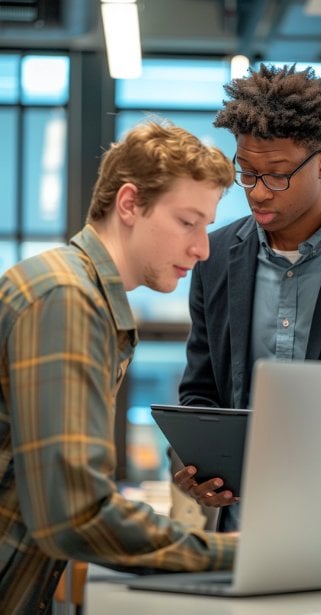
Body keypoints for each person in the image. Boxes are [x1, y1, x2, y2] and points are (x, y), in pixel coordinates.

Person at [0, 120, 238, 613]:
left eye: (207, 227)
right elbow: (76, 513)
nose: (202, 248)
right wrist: (235, 555)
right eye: (188, 222)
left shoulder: (72, 289)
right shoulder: (66, 297)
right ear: (129, 204)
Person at [173, 63, 321, 532]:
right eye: (247, 172)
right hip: (243, 523)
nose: (258, 193)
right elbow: (202, 391)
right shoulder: (213, 256)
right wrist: (194, 462)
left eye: (277, 175)